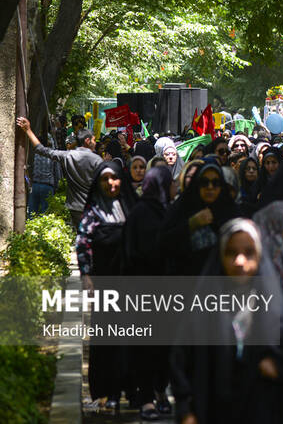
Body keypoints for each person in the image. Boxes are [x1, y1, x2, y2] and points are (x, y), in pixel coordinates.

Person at [170, 219, 283, 424]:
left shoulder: (278, 307)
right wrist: (186, 410)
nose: (239, 261)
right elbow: (182, 361)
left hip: (264, 409)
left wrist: (280, 367)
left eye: (248, 253)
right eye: (231, 253)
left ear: (260, 256)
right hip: (213, 410)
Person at [74, 161, 135, 411]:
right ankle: (105, 391)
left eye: (115, 178)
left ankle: (129, 390)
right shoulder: (93, 213)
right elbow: (82, 244)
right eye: (105, 179)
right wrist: (86, 275)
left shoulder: (131, 208)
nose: (111, 184)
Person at [122, 165, 175, 419]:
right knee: (145, 346)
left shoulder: (168, 211)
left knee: (164, 347)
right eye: (170, 183)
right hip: (144, 290)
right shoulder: (141, 213)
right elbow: (136, 252)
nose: (174, 187)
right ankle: (145, 398)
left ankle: (160, 391)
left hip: (168, 291)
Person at [17, 116, 103, 229]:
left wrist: (28, 130)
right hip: (92, 206)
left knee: (78, 235)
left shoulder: (67, 156)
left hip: (74, 207)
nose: (95, 143)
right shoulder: (97, 160)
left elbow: (41, 149)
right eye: (93, 140)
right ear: (87, 141)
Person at [158, 162, 240, 275]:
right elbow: (163, 244)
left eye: (215, 183)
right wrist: (191, 224)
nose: (210, 187)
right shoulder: (182, 209)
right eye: (204, 183)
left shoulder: (231, 212)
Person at [27, 135, 62, 216]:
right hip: (47, 186)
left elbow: (30, 168)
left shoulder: (34, 155)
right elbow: (57, 173)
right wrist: (56, 187)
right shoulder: (52, 155)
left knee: (31, 212)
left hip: (35, 185)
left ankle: (30, 227)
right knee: (45, 214)